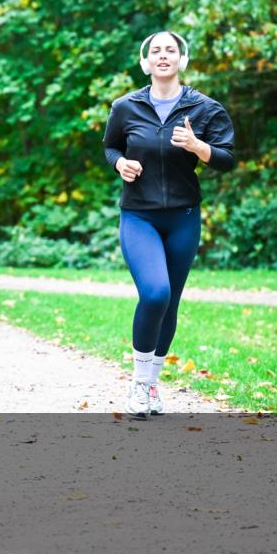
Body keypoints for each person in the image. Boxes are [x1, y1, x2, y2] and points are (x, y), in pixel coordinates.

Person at [102, 31, 235, 419]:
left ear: (181, 60)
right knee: (155, 293)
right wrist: (119, 163)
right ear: (145, 63)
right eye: (156, 51)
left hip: (184, 217)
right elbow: (110, 146)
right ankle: (139, 383)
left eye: (170, 50)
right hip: (139, 215)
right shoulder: (125, 107)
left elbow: (227, 158)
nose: (163, 55)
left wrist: (198, 147)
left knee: (171, 301)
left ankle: (152, 384)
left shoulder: (205, 109)